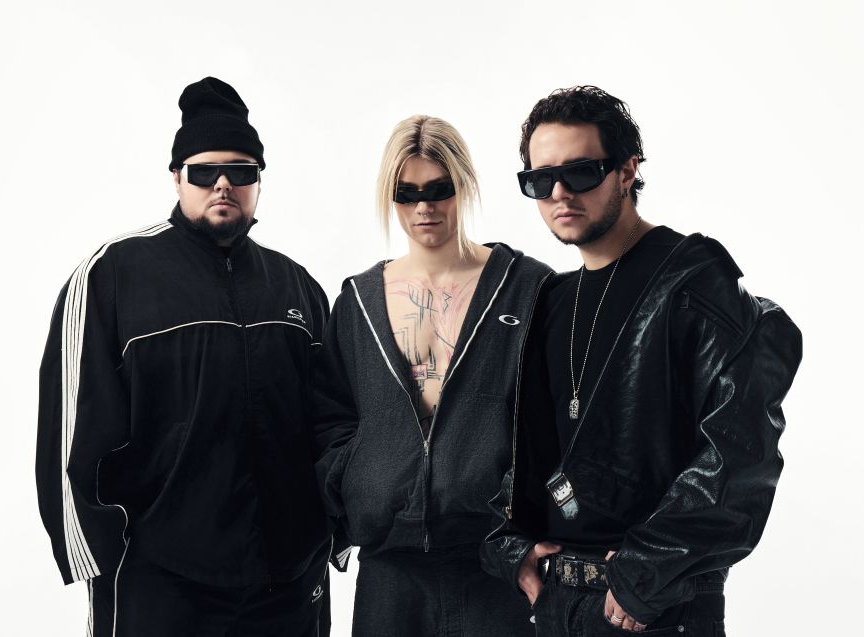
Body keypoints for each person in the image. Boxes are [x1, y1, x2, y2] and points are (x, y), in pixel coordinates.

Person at [481, 86, 803, 635]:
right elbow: (522, 449)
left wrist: (647, 572)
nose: (559, 193)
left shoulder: (693, 281)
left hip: (651, 609)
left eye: (581, 172)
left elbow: (742, 453)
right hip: (556, 604)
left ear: (628, 170)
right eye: (540, 180)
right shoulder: (551, 299)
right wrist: (512, 550)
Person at [36, 77, 331, 636]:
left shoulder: (297, 286)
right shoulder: (112, 275)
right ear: (177, 177)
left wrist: (330, 536)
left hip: (288, 583)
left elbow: (331, 422)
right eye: (204, 171)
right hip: (159, 584)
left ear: (259, 182)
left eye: (241, 171)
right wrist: (102, 558)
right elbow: (69, 429)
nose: (223, 184)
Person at [312, 115, 553, 636]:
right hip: (389, 567)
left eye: (439, 189)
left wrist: (524, 521)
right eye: (407, 193)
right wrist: (361, 484)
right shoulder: (357, 301)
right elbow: (329, 417)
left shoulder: (527, 288)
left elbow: (557, 422)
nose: (424, 207)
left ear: (463, 185)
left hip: (496, 561)